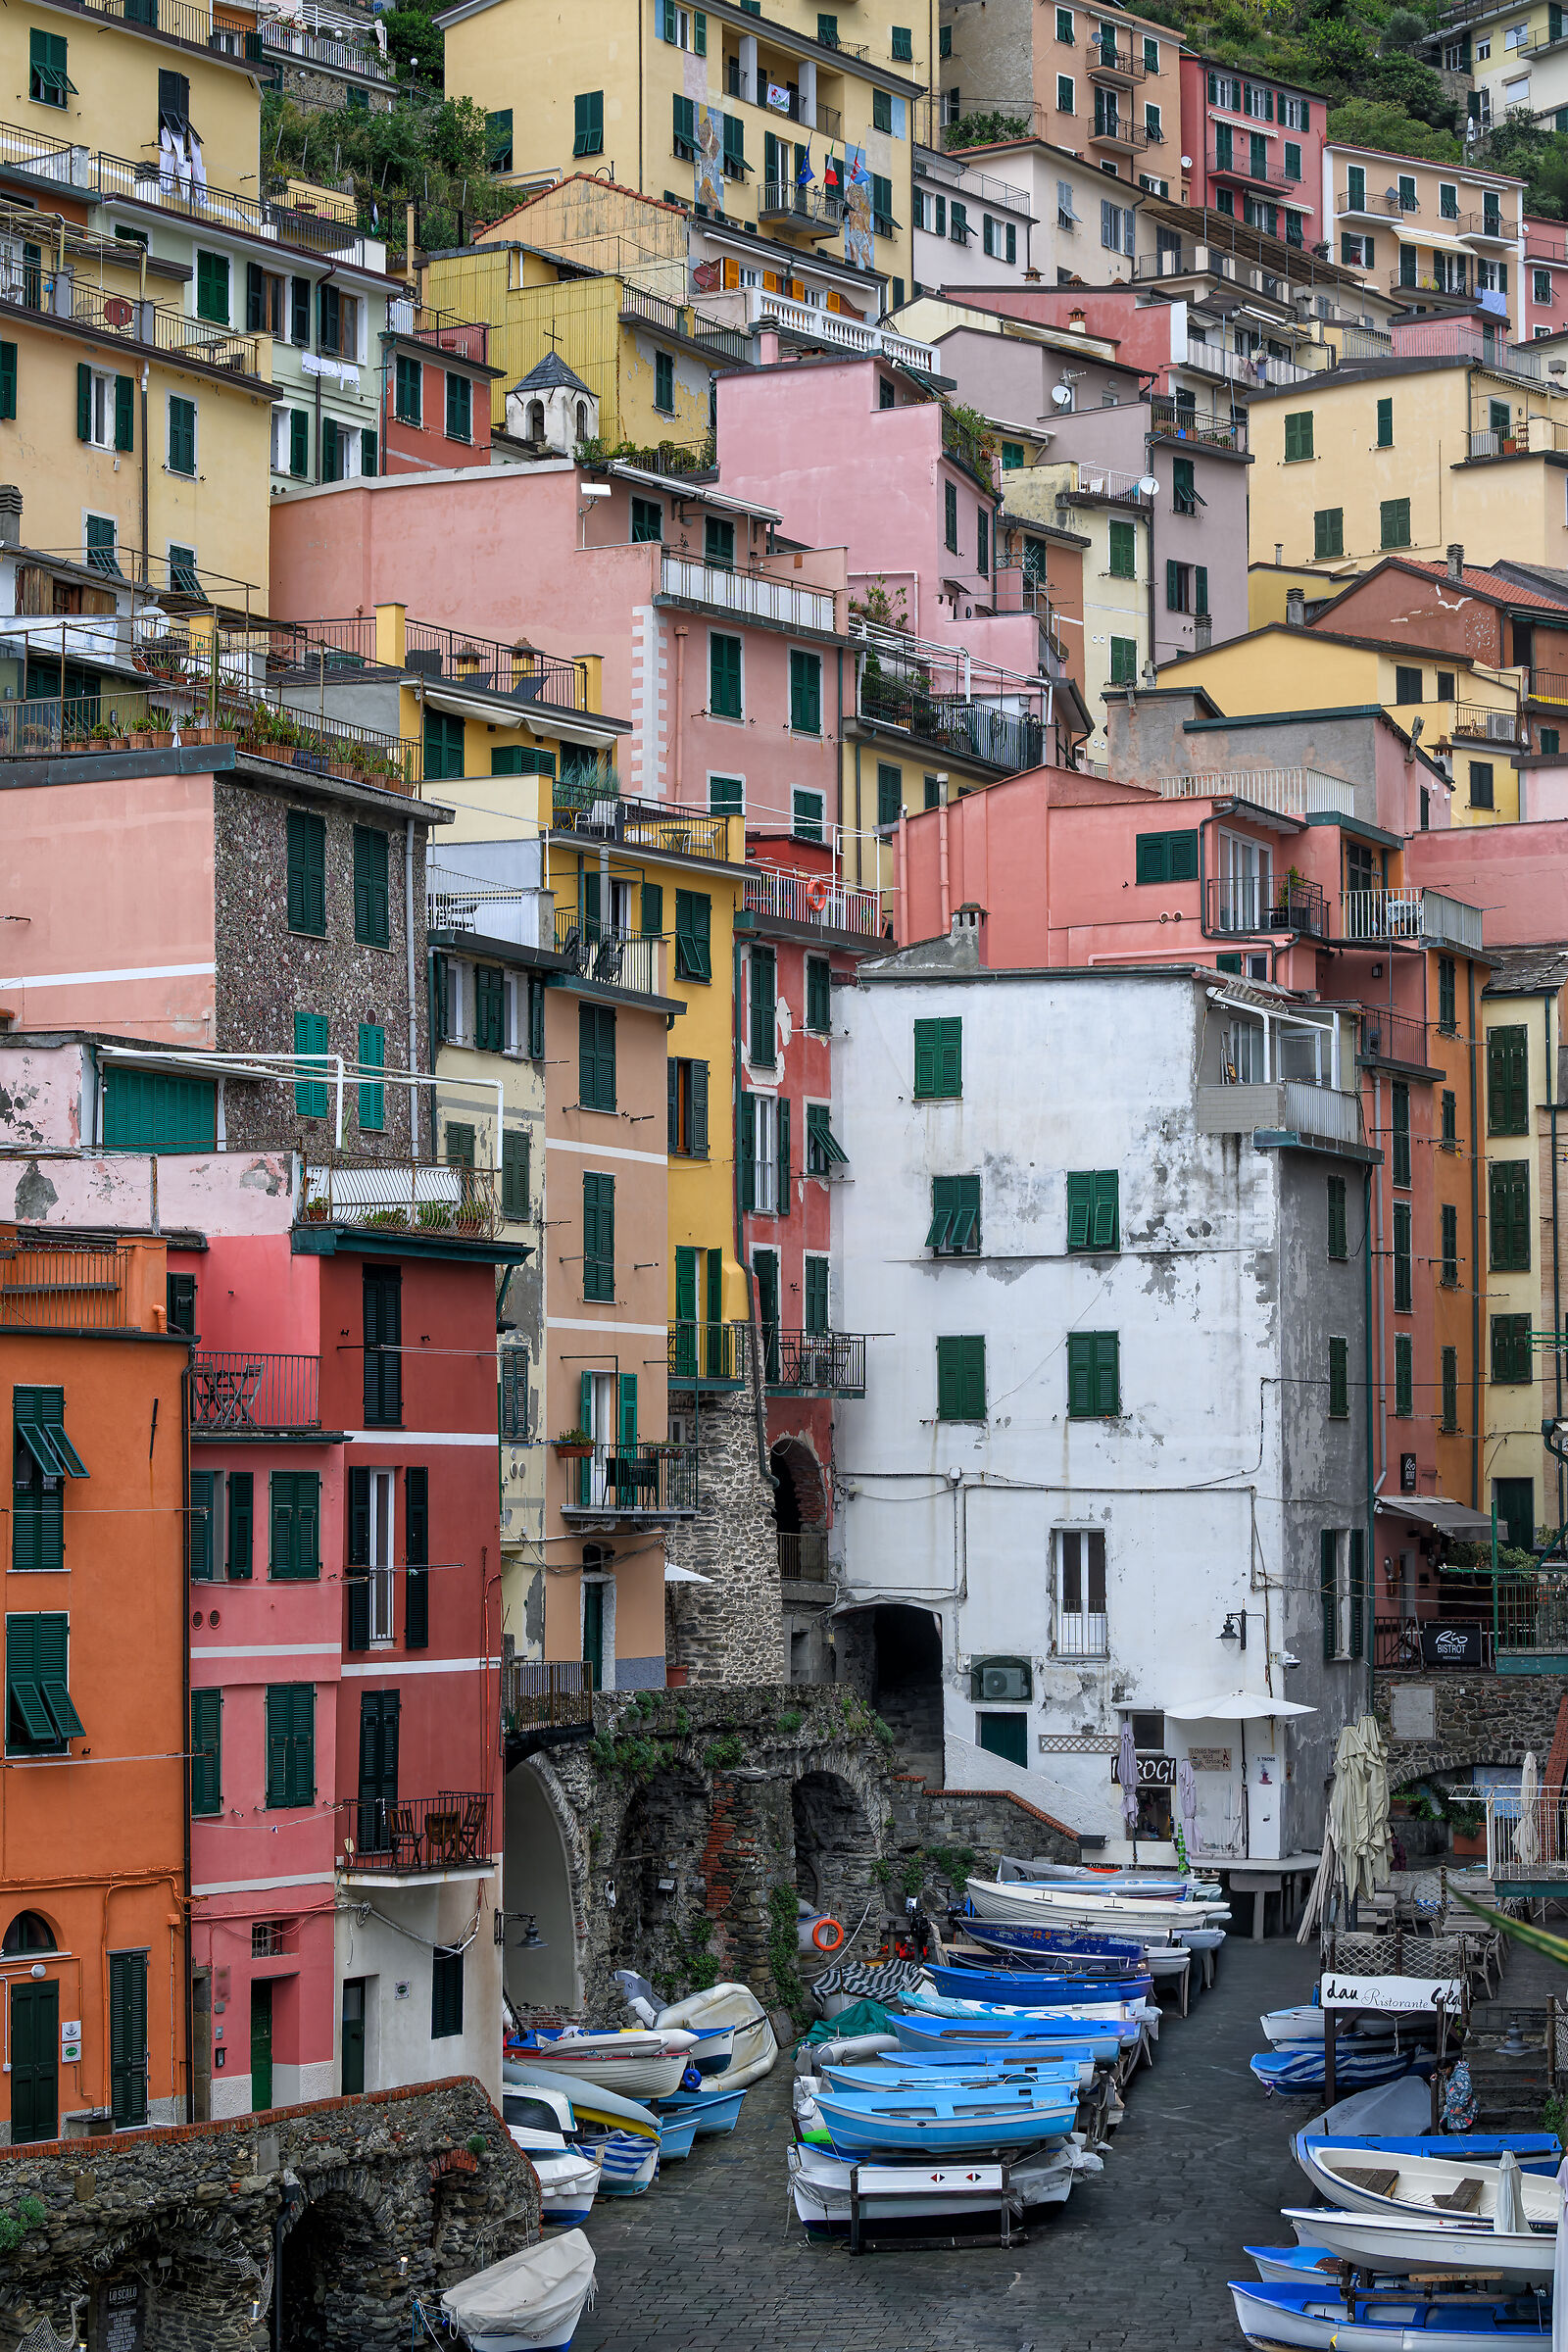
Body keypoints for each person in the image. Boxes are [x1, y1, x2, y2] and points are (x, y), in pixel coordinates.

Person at [1442, 2056, 1478, 2132]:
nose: (1443, 2074)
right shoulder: (1448, 2075)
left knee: (1464, 2130)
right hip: (1451, 2108)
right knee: (1444, 2124)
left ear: (1449, 2068)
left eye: (1444, 2071)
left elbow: (1467, 2091)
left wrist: (1460, 2106)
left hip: (1464, 2109)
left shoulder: (1461, 2075)